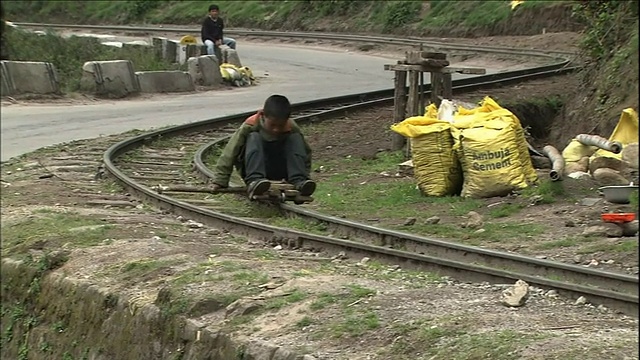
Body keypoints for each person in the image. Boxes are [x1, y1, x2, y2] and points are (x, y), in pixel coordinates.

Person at [210, 95, 317, 199]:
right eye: (272, 125)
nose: (276, 130)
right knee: (254, 137)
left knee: (295, 138)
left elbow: (305, 153)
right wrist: (220, 181)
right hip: (253, 168)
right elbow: (230, 152)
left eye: (280, 126)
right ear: (263, 115)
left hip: (280, 168)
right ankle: (255, 180)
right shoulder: (250, 126)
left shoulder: (292, 127)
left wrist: (305, 176)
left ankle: (298, 181)